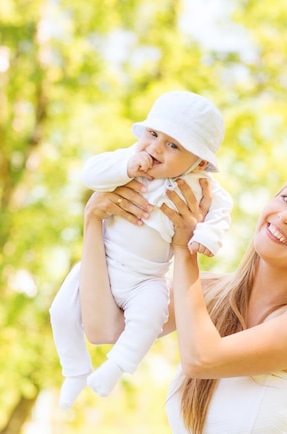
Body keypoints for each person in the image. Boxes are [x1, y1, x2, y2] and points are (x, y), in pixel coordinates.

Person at [79, 167, 287, 433]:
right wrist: (94, 221)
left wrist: (184, 247)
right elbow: (103, 329)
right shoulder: (205, 293)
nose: (286, 217)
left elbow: (201, 359)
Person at [49, 90, 233, 409]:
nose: (155, 148)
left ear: (200, 161)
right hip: (102, 261)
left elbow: (221, 214)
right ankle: (75, 370)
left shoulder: (203, 187)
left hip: (146, 278)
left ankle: (116, 366)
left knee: (149, 316)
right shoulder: (129, 160)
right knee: (61, 311)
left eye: (173, 145)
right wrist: (126, 169)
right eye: (152, 134)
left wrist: (208, 237)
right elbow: (90, 172)